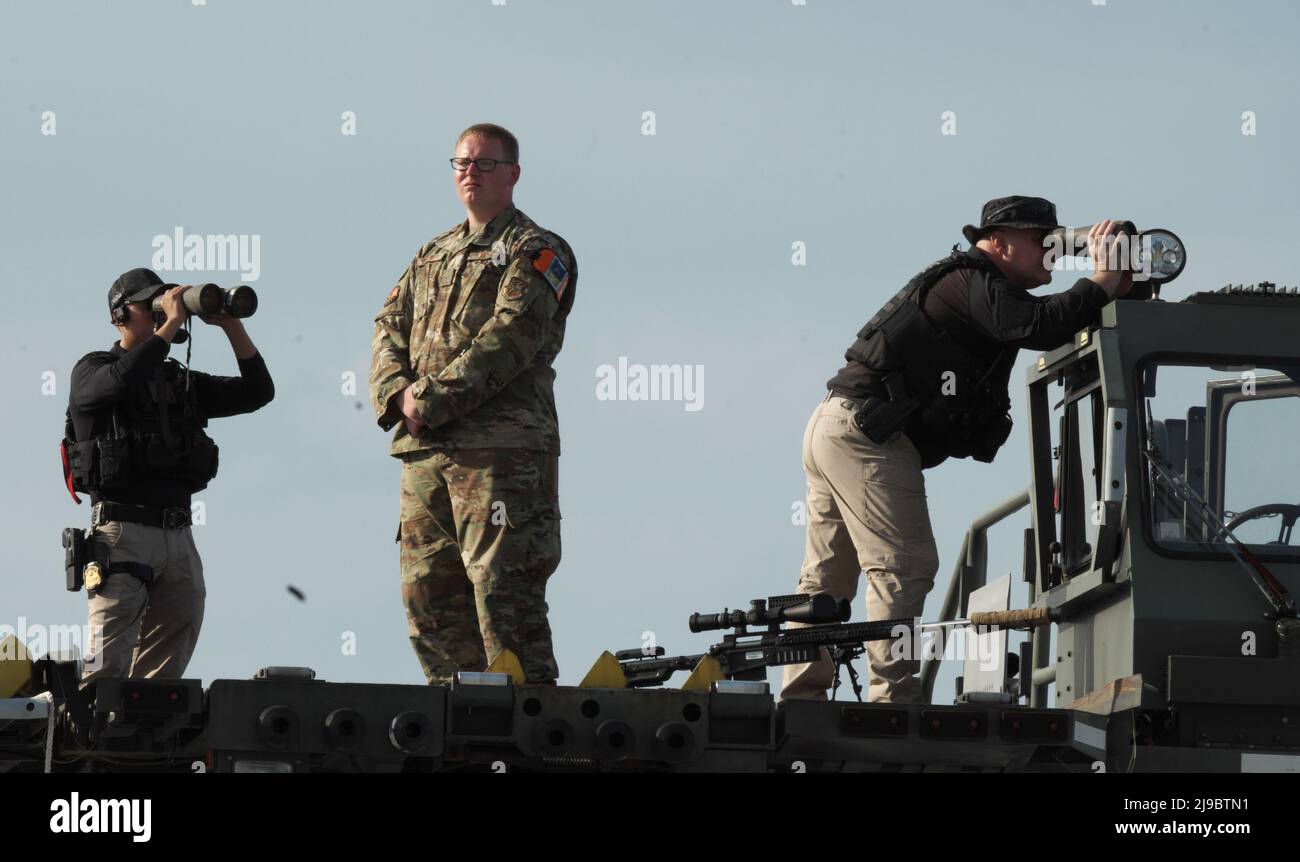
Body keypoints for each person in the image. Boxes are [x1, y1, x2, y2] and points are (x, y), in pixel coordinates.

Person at [781, 196, 1133, 703]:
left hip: (839, 427)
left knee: (826, 580)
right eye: (1043, 242)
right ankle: (893, 701)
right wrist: (1099, 279)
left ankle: (801, 697)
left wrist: (1113, 285)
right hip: (869, 433)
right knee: (905, 563)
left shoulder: (982, 286)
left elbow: (1044, 318)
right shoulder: (973, 282)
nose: (1054, 254)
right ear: (1000, 242)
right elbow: (1042, 325)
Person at [370, 123, 577, 685]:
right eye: (462, 162)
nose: (471, 172)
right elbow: (389, 325)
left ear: (513, 174)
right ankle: (455, 720)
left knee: (501, 593)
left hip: (500, 453)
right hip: (424, 454)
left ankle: (528, 727)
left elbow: (510, 336)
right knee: (427, 597)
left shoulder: (537, 250)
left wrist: (429, 399)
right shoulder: (432, 253)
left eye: (485, 163)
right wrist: (397, 394)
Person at [65, 268, 274, 683]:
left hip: (178, 536)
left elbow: (258, 392)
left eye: (166, 303)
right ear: (120, 315)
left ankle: (142, 739)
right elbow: (120, 381)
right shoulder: (92, 370)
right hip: (122, 534)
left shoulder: (178, 381)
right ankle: (92, 740)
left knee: (164, 671)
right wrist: (172, 323)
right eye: (152, 306)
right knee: (105, 669)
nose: (163, 312)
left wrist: (231, 326)